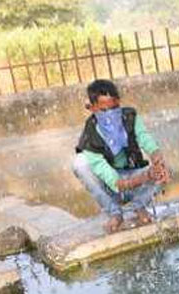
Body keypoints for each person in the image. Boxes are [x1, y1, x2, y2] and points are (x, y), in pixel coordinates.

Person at [72, 79, 171, 233]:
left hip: (134, 176)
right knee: (80, 163)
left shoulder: (129, 117)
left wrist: (157, 160)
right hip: (111, 186)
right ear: (92, 108)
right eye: (104, 111)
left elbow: (145, 138)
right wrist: (146, 176)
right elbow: (116, 183)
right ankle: (115, 213)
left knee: (166, 170)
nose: (111, 115)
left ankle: (138, 207)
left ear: (119, 103)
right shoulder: (90, 136)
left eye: (115, 108)